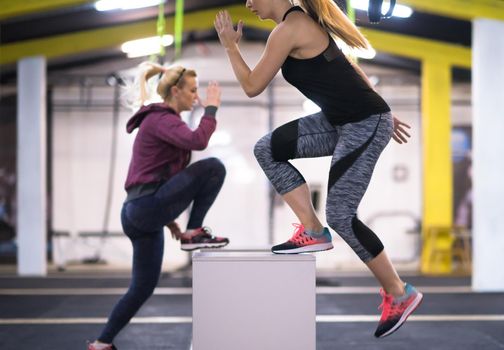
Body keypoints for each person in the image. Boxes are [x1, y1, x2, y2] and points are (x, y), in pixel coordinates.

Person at [214, 0, 421, 338]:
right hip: (345, 120)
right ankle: (312, 229)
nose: (249, 3)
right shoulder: (303, 22)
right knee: (267, 149)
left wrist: (230, 48)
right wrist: (378, 105)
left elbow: (252, 86)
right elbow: (348, 66)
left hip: (362, 122)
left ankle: (400, 293)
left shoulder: (289, 29)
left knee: (341, 214)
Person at [88, 63, 229, 350]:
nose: (196, 96)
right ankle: (194, 231)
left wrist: (168, 220)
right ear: (175, 91)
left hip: (141, 211)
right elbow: (198, 141)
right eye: (192, 90)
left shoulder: (162, 121)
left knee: (142, 287)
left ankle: (102, 343)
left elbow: (158, 177)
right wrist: (211, 109)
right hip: (144, 207)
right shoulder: (160, 119)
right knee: (213, 167)